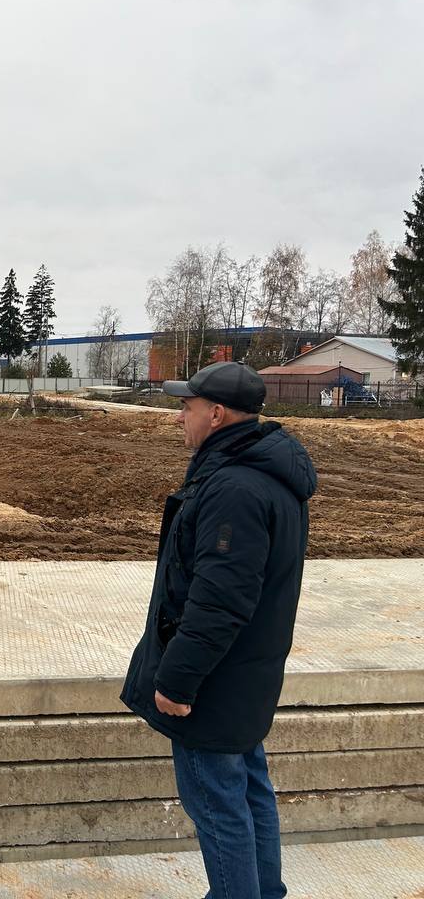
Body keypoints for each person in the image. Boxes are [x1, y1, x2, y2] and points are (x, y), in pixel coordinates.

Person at [121, 361, 317, 899]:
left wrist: (177, 682)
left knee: (220, 807)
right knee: (250, 792)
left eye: (186, 407)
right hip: (245, 674)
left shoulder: (233, 488)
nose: (179, 417)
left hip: (215, 681)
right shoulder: (262, 475)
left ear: (216, 414)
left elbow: (220, 600)